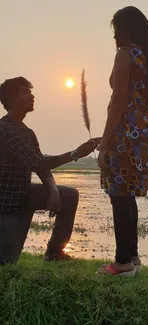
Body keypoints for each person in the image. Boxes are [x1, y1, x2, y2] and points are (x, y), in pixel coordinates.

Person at [0, 76, 101, 264]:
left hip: (25, 193)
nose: (31, 96)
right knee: (6, 262)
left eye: (31, 91)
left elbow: (42, 169)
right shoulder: (5, 129)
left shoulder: (27, 132)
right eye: (25, 92)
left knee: (69, 195)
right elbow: (37, 162)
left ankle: (55, 252)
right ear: (11, 99)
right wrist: (76, 153)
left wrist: (53, 190)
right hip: (7, 203)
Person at [98, 6, 148, 276]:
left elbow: (119, 99)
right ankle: (132, 258)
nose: (113, 37)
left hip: (124, 133)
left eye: (115, 29)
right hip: (142, 132)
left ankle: (122, 263)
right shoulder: (145, 56)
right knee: (127, 193)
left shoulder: (124, 54)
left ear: (125, 29)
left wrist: (105, 141)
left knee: (119, 195)